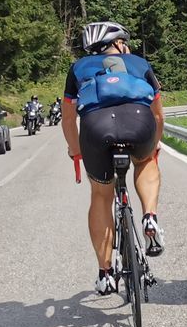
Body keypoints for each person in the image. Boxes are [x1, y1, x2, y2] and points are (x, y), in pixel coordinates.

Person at [62, 22, 167, 295]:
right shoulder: (139, 63)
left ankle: (105, 273)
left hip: (96, 127)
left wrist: (76, 150)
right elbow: (158, 113)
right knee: (145, 163)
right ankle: (150, 217)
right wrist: (153, 145)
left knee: (100, 195)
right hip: (138, 120)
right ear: (118, 43)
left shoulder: (78, 68)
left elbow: (68, 116)